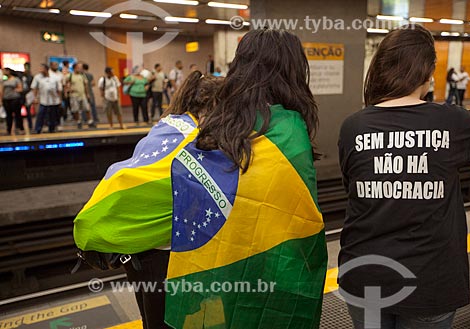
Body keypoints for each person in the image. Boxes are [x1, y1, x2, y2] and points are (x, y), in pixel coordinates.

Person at [338, 24, 470, 329]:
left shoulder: (353, 126)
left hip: (365, 275)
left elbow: (354, 189)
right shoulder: (450, 119)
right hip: (429, 279)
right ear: (428, 72)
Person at [164, 29, 327, 329]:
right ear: (291, 72)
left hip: (218, 269)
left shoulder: (214, 122)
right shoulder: (291, 131)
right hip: (274, 267)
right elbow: (301, 214)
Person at [74, 70, 222, 329]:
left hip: (135, 246)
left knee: (149, 315)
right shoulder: (197, 138)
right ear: (213, 105)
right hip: (163, 253)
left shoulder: (166, 125)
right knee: (166, 321)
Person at [32, 64, 63, 133]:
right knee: (41, 114)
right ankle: (38, 129)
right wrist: (35, 97)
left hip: (54, 100)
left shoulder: (55, 77)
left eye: (42, 69)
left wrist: (60, 99)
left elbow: (59, 89)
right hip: (43, 100)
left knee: (52, 115)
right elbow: (34, 88)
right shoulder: (37, 77)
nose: (40, 70)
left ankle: (52, 129)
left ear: (46, 69)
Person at [65, 63, 95, 129]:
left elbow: (85, 85)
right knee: (75, 110)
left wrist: (87, 94)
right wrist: (68, 89)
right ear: (75, 68)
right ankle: (78, 121)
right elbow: (65, 84)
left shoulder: (82, 75)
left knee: (87, 108)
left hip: (82, 95)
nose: (80, 69)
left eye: (80, 67)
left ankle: (90, 121)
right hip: (74, 95)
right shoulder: (69, 76)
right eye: (78, 67)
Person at [1, 68, 23, 135]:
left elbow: (20, 88)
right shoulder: (4, 80)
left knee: (17, 115)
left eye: (5, 71)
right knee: (8, 115)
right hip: (6, 100)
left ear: (9, 71)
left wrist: (14, 90)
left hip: (15, 99)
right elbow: (2, 91)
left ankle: (20, 129)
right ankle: (8, 130)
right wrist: (1, 100)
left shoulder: (16, 79)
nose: (3, 72)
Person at [49, 61, 65, 130]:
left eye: (57, 65)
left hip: (59, 94)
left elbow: (63, 84)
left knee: (59, 111)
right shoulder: (48, 73)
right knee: (51, 112)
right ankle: (51, 125)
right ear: (51, 65)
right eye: (54, 65)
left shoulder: (60, 74)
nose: (56, 66)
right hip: (50, 95)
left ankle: (58, 124)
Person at [21, 62, 34, 131]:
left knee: (28, 110)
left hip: (28, 94)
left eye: (28, 67)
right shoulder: (21, 75)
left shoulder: (31, 76)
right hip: (21, 94)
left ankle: (30, 125)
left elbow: (32, 86)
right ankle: (20, 127)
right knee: (18, 111)